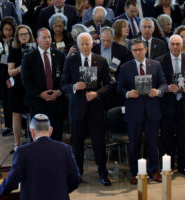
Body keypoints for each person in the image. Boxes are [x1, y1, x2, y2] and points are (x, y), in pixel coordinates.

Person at [0, 114, 81, 200]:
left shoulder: (23, 152)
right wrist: (60, 191)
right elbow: (75, 180)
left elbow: (12, 182)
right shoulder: (65, 149)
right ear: (51, 131)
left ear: (32, 131)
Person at [61, 32, 112, 186]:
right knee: (77, 142)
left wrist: (97, 93)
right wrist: (74, 87)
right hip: (77, 107)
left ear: (92, 44)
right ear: (77, 45)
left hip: (95, 107)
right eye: (81, 44)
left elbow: (109, 84)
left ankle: (102, 172)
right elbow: (63, 84)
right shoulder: (70, 61)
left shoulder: (101, 60)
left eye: (87, 44)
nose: (84, 47)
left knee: (99, 141)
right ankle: (77, 173)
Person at [117, 38, 167, 185]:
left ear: (145, 49)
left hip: (152, 110)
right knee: (135, 144)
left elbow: (164, 83)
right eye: (135, 50)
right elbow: (119, 87)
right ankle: (135, 172)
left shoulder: (156, 65)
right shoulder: (126, 67)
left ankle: (154, 171)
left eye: (140, 49)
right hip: (134, 111)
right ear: (131, 52)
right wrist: (128, 93)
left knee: (153, 143)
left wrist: (158, 91)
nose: (138, 52)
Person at [155, 35, 185, 175]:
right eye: (172, 44)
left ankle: (183, 166)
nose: (175, 46)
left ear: (182, 44)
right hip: (167, 104)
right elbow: (157, 82)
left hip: (184, 103)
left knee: (184, 136)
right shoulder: (160, 61)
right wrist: (166, 88)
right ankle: (169, 165)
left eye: (177, 44)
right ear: (168, 45)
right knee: (167, 136)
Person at [21, 28, 65, 141]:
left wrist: (59, 91)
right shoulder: (29, 57)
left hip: (56, 101)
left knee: (56, 135)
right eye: (44, 37)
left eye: (49, 37)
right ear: (37, 40)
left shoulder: (59, 55)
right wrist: (40, 94)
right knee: (38, 136)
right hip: (38, 102)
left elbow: (65, 77)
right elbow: (26, 80)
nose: (47, 40)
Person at [8, 25, 35, 150]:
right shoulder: (14, 50)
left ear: (30, 35)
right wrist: (20, 68)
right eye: (21, 34)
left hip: (31, 86)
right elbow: (10, 72)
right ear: (17, 37)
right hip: (17, 86)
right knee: (17, 115)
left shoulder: (35, 49)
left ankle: (33, 142)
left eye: (26, 34)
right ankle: (17, 144)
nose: (24, 36)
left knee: (32, 114)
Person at [0, 17, 16, 136]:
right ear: (2, 29)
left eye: (10, 29)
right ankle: (8, 126)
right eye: (6, 29)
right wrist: (10, 61)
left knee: (13, 99)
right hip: (2, 75)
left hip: (14, 74)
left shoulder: (15, 40)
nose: (8, 32)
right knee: (6, 100)